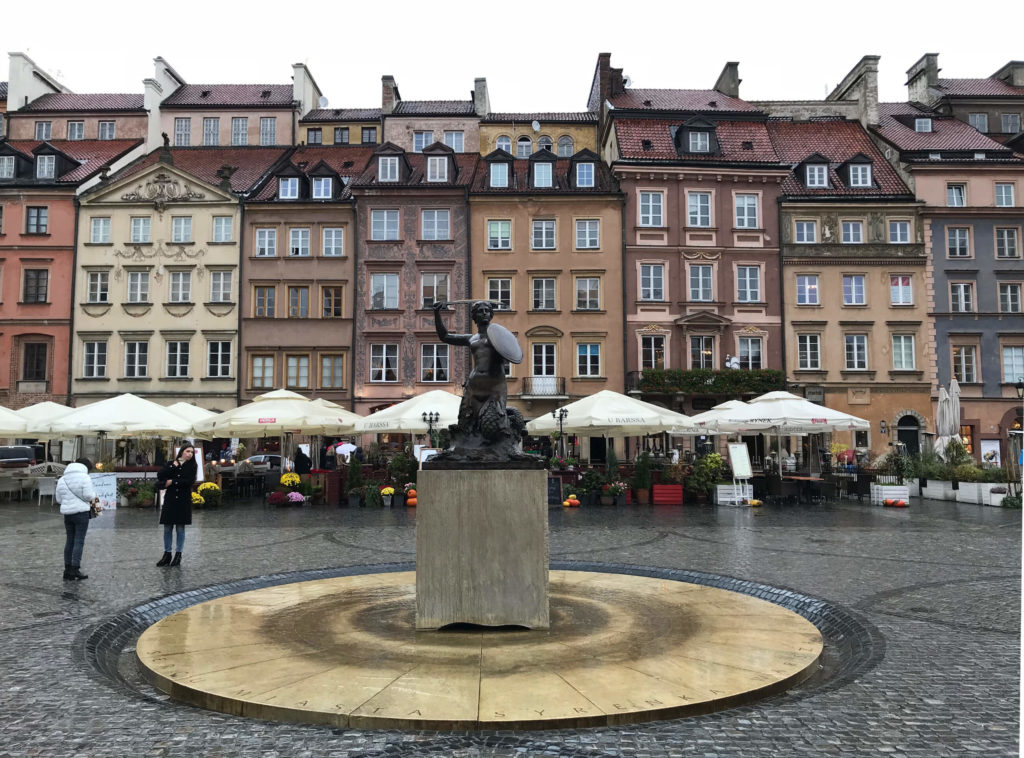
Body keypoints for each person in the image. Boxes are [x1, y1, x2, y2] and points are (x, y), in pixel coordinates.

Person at [56, 457, 99, 581]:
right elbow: (88, 496)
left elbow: (59, 499)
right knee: (79, 541)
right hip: (81, 513)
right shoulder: (85, 478)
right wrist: (94, 495)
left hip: (67, 514)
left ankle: (67, 569)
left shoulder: (62, 479)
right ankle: (75, 568)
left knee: (69, 540)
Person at [156, 444, 198, 567]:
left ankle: (178, 554)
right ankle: (167, 554)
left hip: (183, 500)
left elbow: (189, 481)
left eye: (192, 452)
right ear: (182, 452)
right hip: (170, 499)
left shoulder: (193, 466)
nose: (190, 454)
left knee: (180, 528)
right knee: (167, 528)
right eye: (187, 451)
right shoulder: (172, 463)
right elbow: (161, 475)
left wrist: (173, 481)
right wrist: (173, 467)